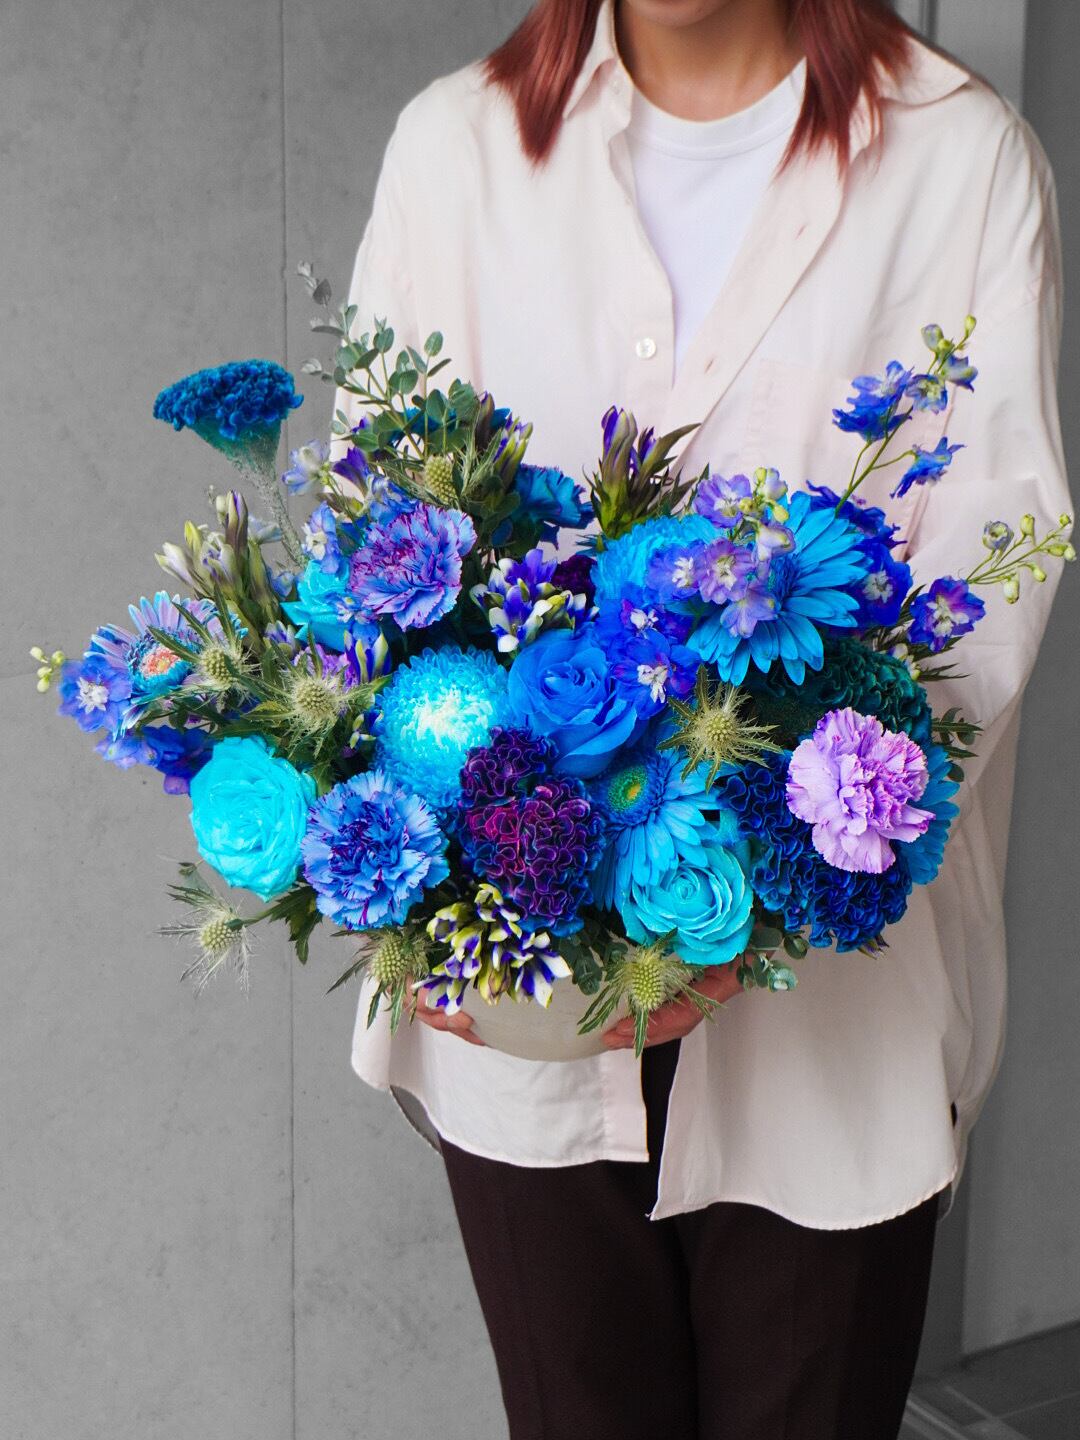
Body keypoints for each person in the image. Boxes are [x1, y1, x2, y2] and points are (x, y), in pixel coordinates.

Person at [333, 1, 1071, 1435]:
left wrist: (760, 895)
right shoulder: (455, 151)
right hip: (525, 1002)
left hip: (833, 1016)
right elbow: (372, 560)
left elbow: (993, 583)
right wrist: (414, 877)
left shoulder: (958, 159)